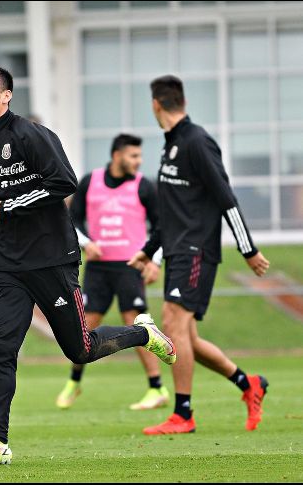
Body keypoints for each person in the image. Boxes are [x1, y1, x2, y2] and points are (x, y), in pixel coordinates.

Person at [0, 61, 177, 466]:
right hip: (9, 265)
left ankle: (143, 334)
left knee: (80, 350)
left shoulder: (33, 135)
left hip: (53, 260)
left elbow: (63, 182)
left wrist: (9, 205)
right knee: (1, 348)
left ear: (6, 95)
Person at [128, 74, 271, 435]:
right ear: (183, 102)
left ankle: (184, 415)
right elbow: (169, 212)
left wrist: (248, 249)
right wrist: (148, 251)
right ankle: (248, 383)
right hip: (176, 251)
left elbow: (226, 198)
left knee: (173, 326)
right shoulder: (170, 145)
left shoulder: (197, 142)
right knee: (186, 339)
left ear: (155, 105)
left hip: (196, 252)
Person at [56, 134, 169, 411]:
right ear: (117, 155)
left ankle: (157, 388)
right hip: (97, 269)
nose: (138, 161)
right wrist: (86, 243)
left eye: (139, 156)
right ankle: (74, 382)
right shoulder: (90, 182)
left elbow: (162, 226)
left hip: (131, 267)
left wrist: (154, 260)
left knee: (137, 323)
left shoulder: (144, 186)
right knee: (85, 327)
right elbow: (71, 219)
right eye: (133, 156)